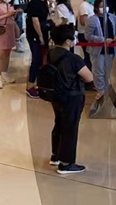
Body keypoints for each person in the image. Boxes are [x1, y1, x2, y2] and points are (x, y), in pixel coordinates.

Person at [46, 24, 93, 175]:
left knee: (59, 124)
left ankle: (56, 156)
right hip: (72, 96)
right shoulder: (74, 58)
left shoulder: (51, 54)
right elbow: (89, 77)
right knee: (70, 129)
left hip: (56, 95)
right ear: (68, 41)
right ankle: (66, 164)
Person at [25, 0, 59, 99]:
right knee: (36, 58)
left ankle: (36, 83)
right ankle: (30, 85)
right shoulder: (35, 3)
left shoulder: (45, 2)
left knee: (41, 59)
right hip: (34, 34)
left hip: (42, 33)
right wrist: (40, 36)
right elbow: (35, 21)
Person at [83, 0, 116, 95]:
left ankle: (106, 89)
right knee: (98, 71)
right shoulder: (91, 20)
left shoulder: (113, 18)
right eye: (101, 6)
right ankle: (100, 91)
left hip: (111, 49)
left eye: (106, 5)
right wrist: (103, 40)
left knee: (107, 71)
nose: (104, 8)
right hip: (97, 50)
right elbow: (88, 36)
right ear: (96, 8)